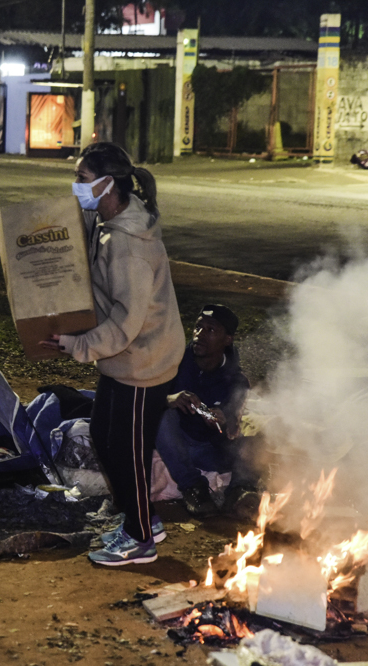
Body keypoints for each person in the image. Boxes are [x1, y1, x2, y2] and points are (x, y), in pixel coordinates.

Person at [41, 142, 185, 567]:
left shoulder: (129, 246)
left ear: (107, 186)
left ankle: (141, 539)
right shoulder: (111, 221)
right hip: (123, 359)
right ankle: (143, 519)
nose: (75, 186)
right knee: (105, 437)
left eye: (82, 179)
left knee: (127, 450)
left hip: (145, 362)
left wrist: (77, 345)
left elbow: (128, 323)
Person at [155, 305, 260, 520]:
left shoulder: (236, 380)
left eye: (211, 330)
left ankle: (238, 493)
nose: (199, 335)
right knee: (162, 416)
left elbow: (233, 426)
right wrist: (170, 400)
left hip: (209, 450)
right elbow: (142, 399)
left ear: (227, 339)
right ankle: (194, 488)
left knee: (257, 443)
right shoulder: (173, 361)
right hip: (177, 443)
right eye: (198, 328)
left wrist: (223, 419)